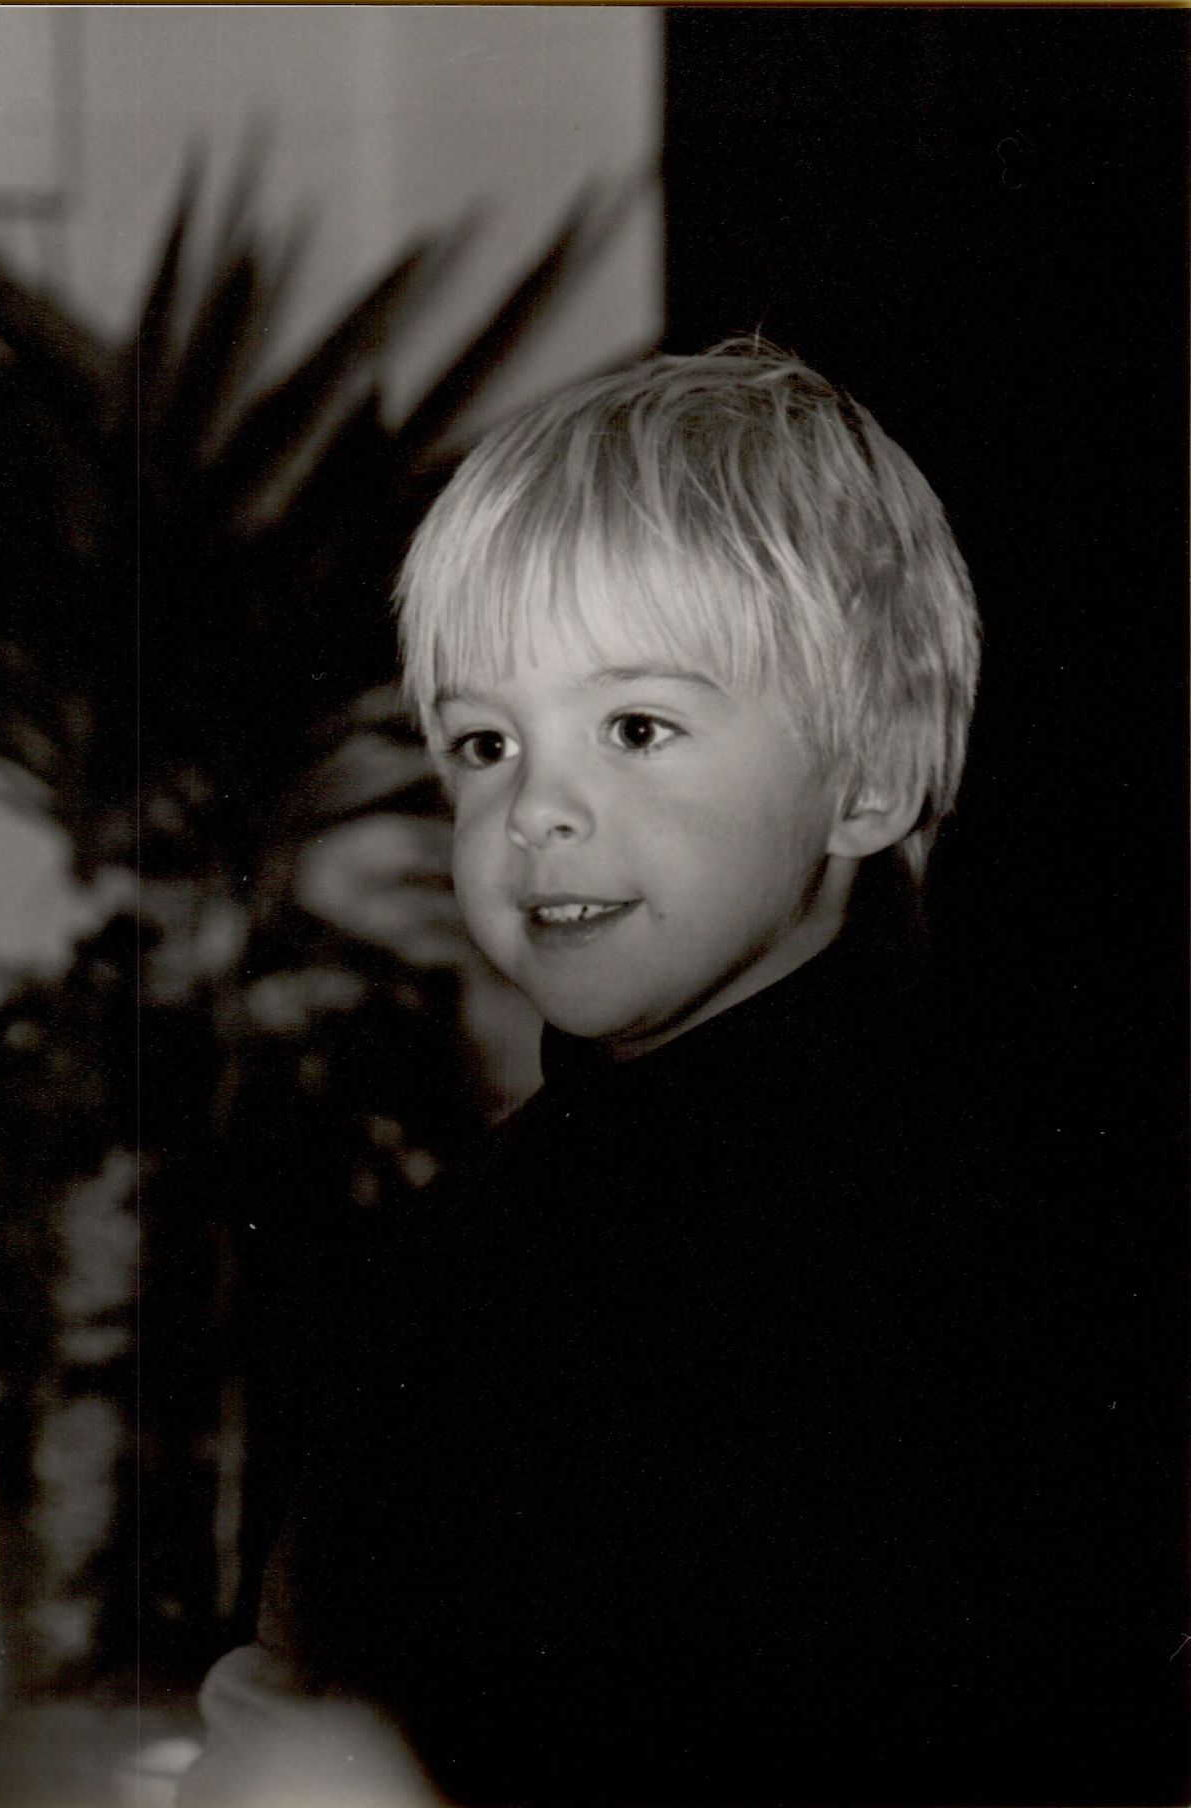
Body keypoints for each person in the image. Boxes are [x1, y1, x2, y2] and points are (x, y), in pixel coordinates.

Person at [180, 343, 1160, 1807]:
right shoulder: (482, 1228)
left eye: (637, 728)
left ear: (870, 773)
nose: (537, 810)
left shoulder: (954, 1236)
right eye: (483, 743)